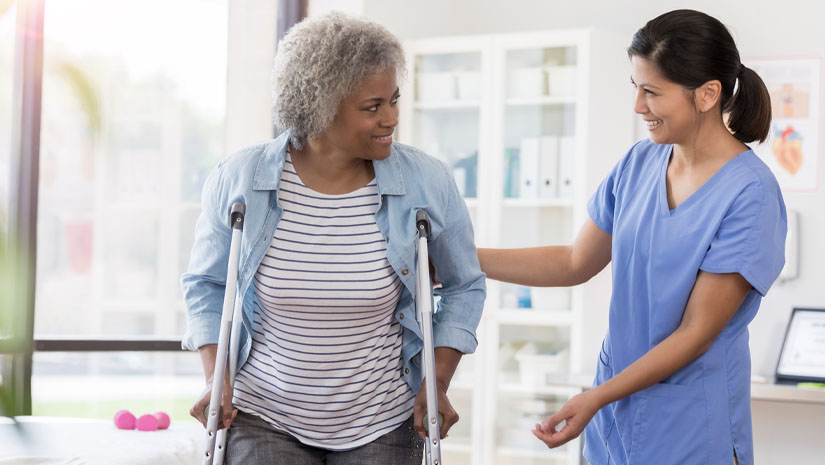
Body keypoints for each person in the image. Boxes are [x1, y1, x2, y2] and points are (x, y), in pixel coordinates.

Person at [478, 9, 785, 465]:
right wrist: (461, 256)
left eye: (652, 92)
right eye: (636, 88)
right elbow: (573, 261)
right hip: (614, 422)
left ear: (707, 94)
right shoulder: (638, 164)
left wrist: (596, 397)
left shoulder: (750, 194)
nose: (639, 106)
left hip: (692, 428)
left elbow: (695, 333)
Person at [181, 12, 485, 465]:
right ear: (319, 106)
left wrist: (434, 383)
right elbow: (206, 284)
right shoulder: (241, 179)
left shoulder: (426, 182)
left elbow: (464, 285)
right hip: (265, 412)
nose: (392, 118)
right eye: (373, 106)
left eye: (394, 100)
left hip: (382, 418)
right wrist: (215, 378)